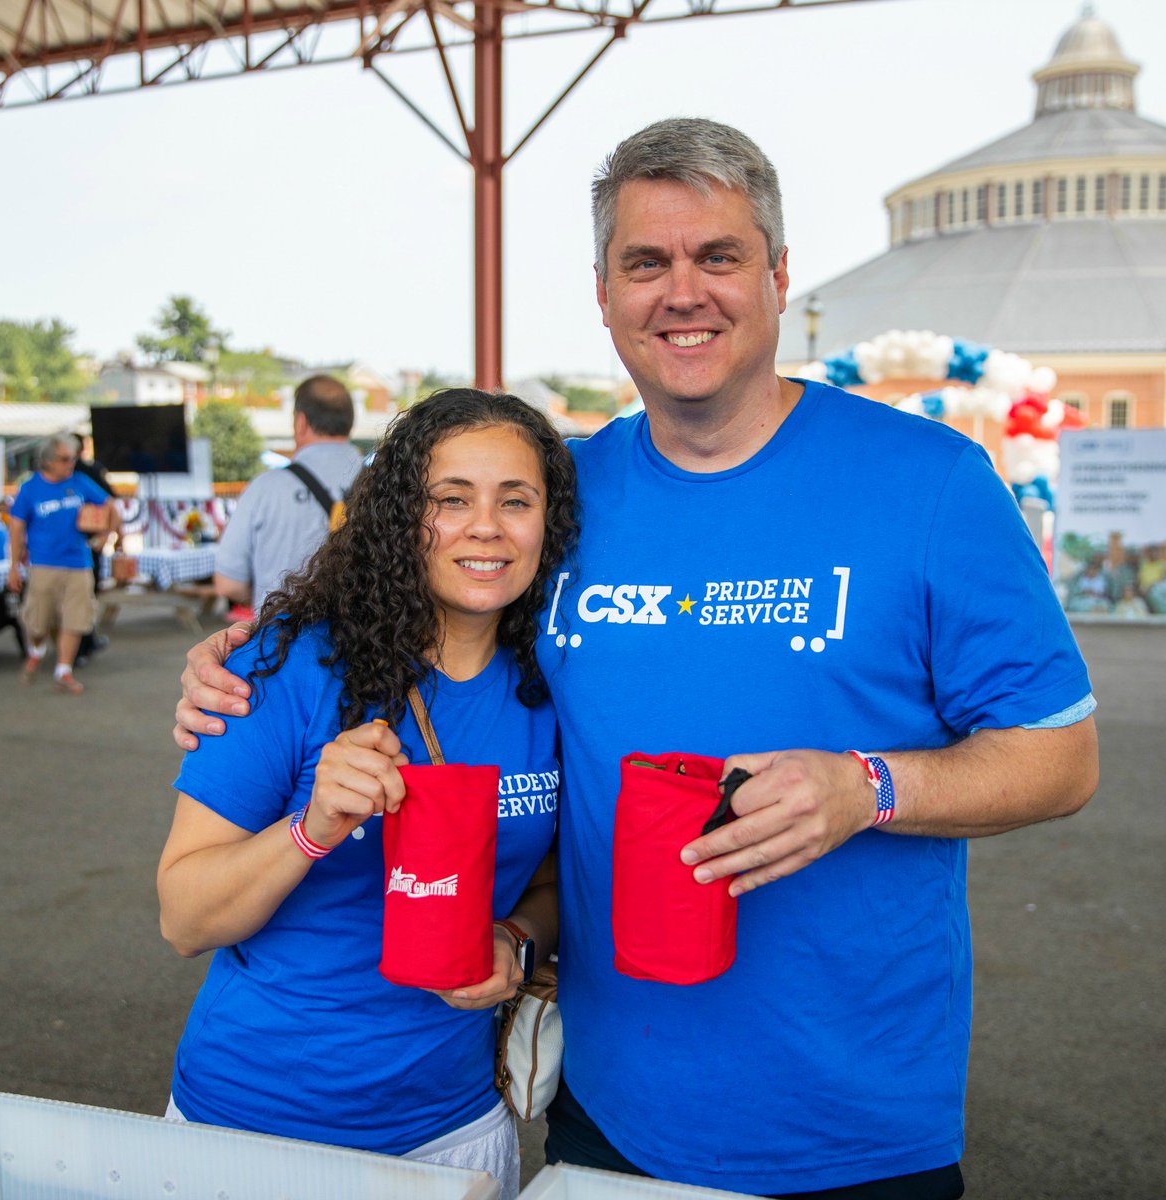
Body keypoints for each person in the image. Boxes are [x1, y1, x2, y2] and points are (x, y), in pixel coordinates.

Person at [173, 119, 1099, 1199]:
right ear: (604, 292)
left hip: (852, 1125)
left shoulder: (931, 483)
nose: (683, 292)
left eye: (719, 256)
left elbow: (1062, 757)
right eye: (646, 262)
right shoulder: (559, 495)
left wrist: (870, 786)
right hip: (608, 1113)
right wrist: (241, 655)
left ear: (778, 275)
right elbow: (386, 589)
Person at [158, 389, 577, 1200]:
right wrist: (310, 828)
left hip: (454, 1126)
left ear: (547, 525)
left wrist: (519, 939)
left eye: (514, 500)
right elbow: (184, 917)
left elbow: (555, 879)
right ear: (397, 516)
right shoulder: (286, 669)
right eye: (450, 499)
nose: (485, 526)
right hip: (251, 1124)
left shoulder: (554, 687)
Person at [213, 374, 365, 614]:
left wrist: (264, 591)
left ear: (300, 422)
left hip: (281, 641)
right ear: (349, 423)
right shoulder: (383, 483)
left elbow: (228, 584)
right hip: (369, 641)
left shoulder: (265, 488)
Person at [8, 435, 121, 696]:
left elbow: (111, 505)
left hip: (78, 563)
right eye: (65, 459)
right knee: (37, 621)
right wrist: (13, 566)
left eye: (72, 458)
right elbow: (16, 527)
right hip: (43, 564)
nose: (71, 463)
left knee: (75, 618)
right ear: (48, 461)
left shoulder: (79, 482)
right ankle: (37, 648)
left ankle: (64, 671)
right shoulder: (30, 489)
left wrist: (105, 535)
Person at [69, 434, 118, 668]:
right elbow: (111, 499)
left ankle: (76, 647)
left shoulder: (62, 475)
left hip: (74, 546)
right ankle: (83, 645)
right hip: (89, 544)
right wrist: (106, 535)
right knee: (87, 598)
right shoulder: (89, 471)